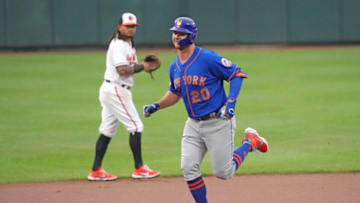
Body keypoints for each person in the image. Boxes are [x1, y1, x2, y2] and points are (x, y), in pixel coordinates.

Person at [143, 17, 269, 202]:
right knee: (188, 168)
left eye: (182, 33)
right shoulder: (174, 66)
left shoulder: (208, 58)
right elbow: (175, 93)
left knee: (223, 173)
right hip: (193, 124)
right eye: (175, 33)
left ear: (191, 36)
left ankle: (250, 142)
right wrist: (157, 105)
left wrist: (230, 103)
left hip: (218, 122)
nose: (177, 36)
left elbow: (237, 74)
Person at [88, 12, 160, 181]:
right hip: (116, 90)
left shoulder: (128, 45)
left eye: (133, 26)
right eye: (128, 26)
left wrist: (142, 66)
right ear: (120, 27)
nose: (131, 29)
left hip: (112, 89)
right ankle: (139, 168)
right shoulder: (118, 45)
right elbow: (122, 70)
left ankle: (95, 170)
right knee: (136, 126)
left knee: (107, 130)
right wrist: (143, 66)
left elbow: (128, 67)